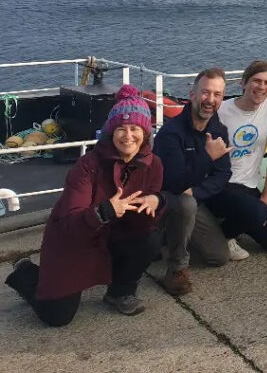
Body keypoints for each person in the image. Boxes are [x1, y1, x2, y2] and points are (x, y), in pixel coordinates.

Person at [5, 85, 163, 325]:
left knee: (150, 239)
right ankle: (26, 272)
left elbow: (150, 209)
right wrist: (104, 211)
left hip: (118, 233)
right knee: (57, 316)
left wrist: (158, 200)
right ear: (110, 132)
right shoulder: (87, 166)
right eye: (121, 128)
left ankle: (121, 291)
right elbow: (70, 222)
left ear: (146, 133)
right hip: (75, 238)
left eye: (135, 128)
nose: (128, 136)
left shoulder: (154, 164)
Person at [153, 68, 233, 296]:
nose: (211, 100)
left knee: (219, 257)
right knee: (185, 203)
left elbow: (222, 175)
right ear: (192, 94)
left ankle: (174, 238)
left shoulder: (218, 130)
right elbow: (173, 182)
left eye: (217, 95)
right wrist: (207, 157)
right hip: (164, 199)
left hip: (192, 196)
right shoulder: (171, 133)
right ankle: (176, 268)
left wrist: (197, 192)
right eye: (206, 93)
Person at [214, 60, 267, 254]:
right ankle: (223, 236)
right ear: (243, 82)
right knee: (256, 212)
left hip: (250, 185)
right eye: (256, 81)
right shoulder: (222, 111)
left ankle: (236, 221)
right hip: (222, 183)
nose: (262, 87)